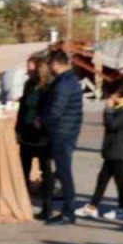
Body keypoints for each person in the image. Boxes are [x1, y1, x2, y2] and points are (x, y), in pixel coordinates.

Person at [76, 82, 123, 221]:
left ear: (116, 94)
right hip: (113, 149)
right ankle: (92, 207)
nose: (108, 97)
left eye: (110, 94)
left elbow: (111, 125)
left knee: (119, 180)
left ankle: (122, 209)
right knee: (102, 179)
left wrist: (108, 110)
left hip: (118, 150)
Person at [37, 50, 84, 224]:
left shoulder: (64, 83)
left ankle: (68, 212)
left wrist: (42, 121)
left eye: (50, 64)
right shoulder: (70, 80)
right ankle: (67, 210)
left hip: (62, 133)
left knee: (64, 173)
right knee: (63, 172)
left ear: (56, 64)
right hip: (67, 132)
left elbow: (56, 109)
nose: (49, 68)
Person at [17, 58, 55, 219]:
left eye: (31, 70)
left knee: (45, 171)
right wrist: (18, 129)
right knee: (23, 168)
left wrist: (42, 121)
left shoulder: (49, 87)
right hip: (27, 133)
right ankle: (24, 204)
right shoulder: (28, 85)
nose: (28, 73)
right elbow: (23, 107)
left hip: (43, 135)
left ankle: (47, 207)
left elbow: (51, 109)